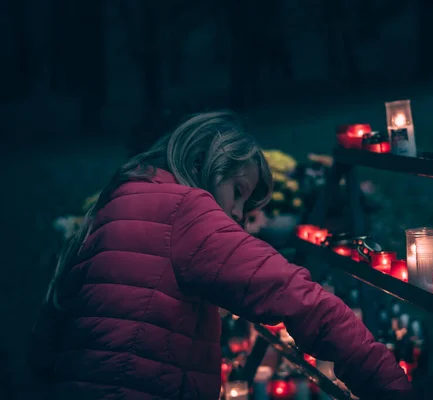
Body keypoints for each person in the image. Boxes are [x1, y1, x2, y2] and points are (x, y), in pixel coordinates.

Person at [29, 111, 412, 399]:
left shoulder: (116, 204)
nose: (237, 215)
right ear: (201, 166)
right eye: (238, 190)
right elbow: (302, 300)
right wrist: (390, 386)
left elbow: (52, 327)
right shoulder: (186, 210)